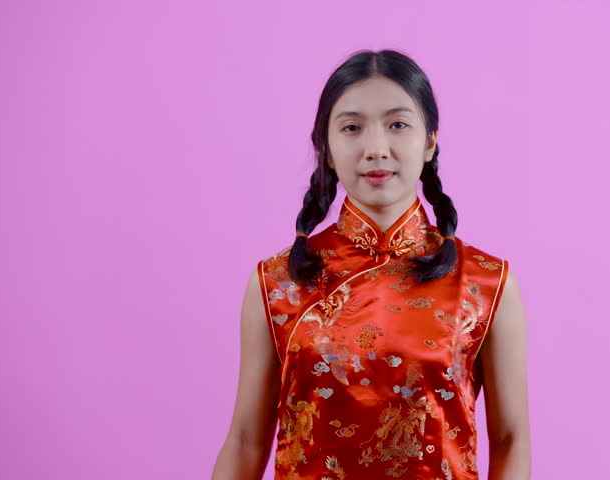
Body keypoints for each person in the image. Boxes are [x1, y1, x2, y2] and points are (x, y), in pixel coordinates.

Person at [212, 49, 531, 480]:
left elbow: (511, 438)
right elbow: (247, 440)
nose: (376, 148)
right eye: (351, 128)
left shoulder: (485, 283)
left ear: (430, 141)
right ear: (325, 148)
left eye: (398, 125)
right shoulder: (277, 281)